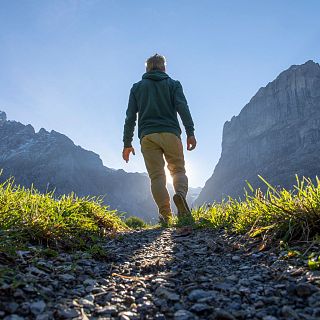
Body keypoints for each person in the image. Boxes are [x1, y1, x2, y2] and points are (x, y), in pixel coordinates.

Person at [122, 54, 196, 224]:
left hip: (148, 137)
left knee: (157, 177)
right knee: (178, 171)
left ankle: (166, 216)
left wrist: (127, 143)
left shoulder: (137, 88)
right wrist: (190, 132)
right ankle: (181, 197)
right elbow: (183, 108)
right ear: (164, 68)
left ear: (147, 69)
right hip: (170, 133)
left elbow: (130, 117)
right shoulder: (173, 85)